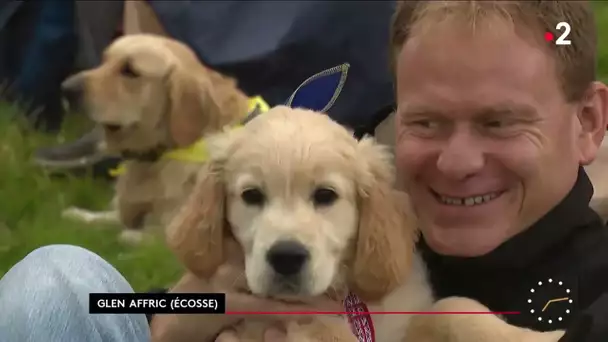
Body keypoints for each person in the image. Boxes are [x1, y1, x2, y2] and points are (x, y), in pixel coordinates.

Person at [2, 0, 608, 341]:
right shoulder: (368, 169)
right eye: (426, 122)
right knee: (55, 280)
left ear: (588, 123)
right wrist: (179, 314)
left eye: (500, 122)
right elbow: (182, 298)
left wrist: (457, 327)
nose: (456, 162)